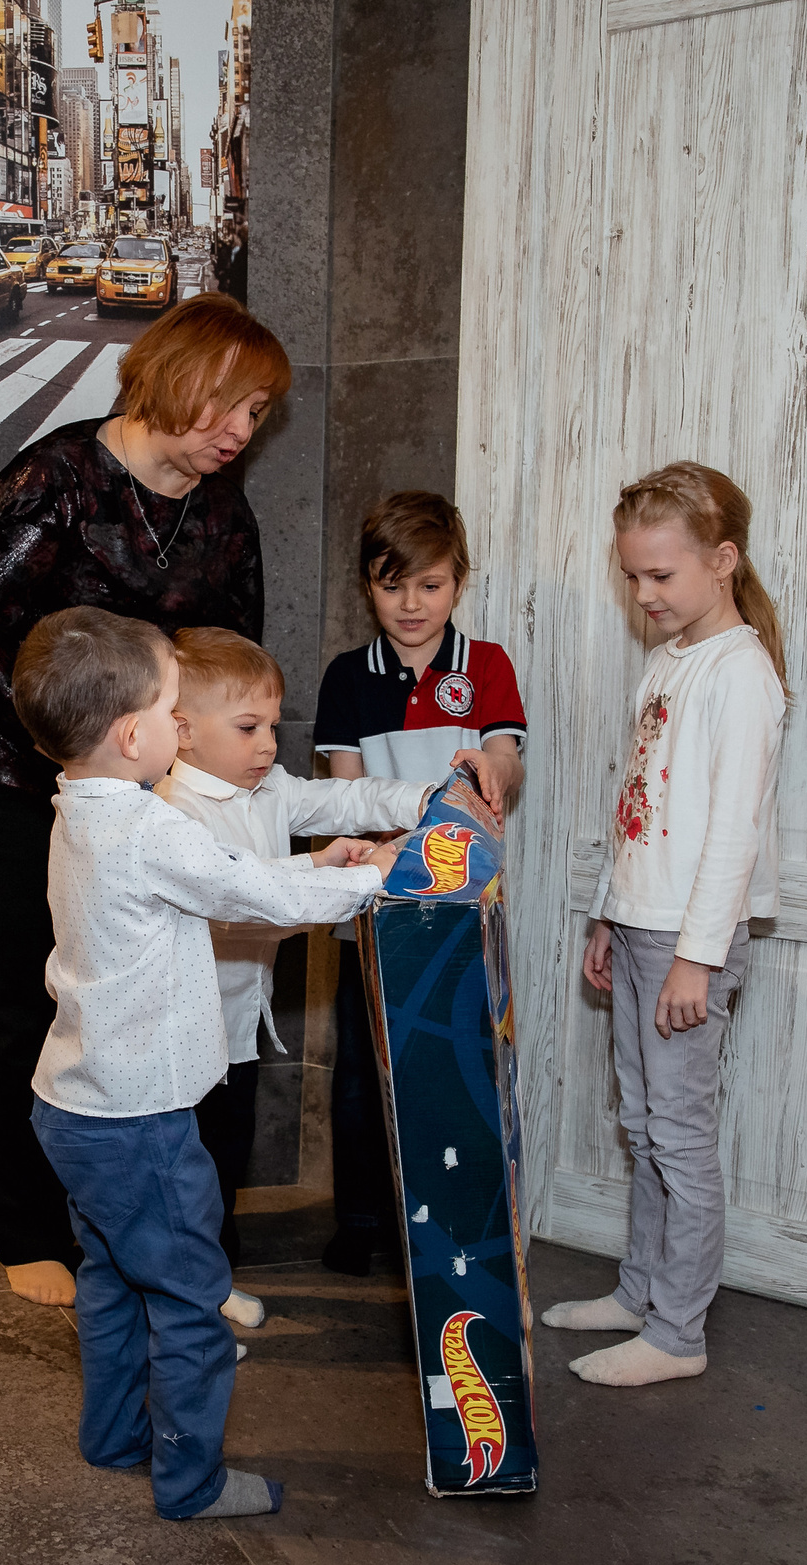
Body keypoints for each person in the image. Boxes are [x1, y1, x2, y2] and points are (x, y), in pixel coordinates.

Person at [0, 294, 290, 1309]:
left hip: (157, 803)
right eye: (227, 404)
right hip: (15, 790)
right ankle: (28, 1228)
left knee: (164, 1011)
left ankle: (168, 1232)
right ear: (168, 378)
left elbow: (231, 661)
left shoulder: (221, 511)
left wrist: (209, 767)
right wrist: (80, 744)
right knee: (26, 1006)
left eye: (257, 413)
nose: (237, 432)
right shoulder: (54, 481)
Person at [12, 607, 395, 1520]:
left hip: (74, 1104)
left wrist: (325, 861)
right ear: (134, 732)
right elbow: (254, 888)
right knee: (189, 1299)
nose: (182, 725)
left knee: (110, 1278)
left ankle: (114, 1437)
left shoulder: (80, 812)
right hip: (141, 1117)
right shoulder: (148, 828)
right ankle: (192, 1482)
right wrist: (378, 876)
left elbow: (231, 872)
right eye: (174, 707)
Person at [542, 462, 788, 1387]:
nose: (643, 595)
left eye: (661, 577)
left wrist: (698, 956)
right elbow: (637, 804)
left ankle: (678, 1332)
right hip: (643, 925)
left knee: (679, 1133)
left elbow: (732, 832)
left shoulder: (742, 673)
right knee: (643, 1123)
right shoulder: (668, 660)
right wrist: (610, 910)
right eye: (631, 577)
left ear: (722, 561)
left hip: (691, 937)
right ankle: (642, 1292)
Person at [153, 627, 436, 1326]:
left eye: (274, 727)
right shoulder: (172, 814)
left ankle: (208, 1290)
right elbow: (250, 904)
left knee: (222, 1166)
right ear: (182, 731)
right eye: (248, 727)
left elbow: (337, 803)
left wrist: (425, 798)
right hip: (177, 1039)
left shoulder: (267, 785)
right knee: (183, 1182)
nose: (268, 746)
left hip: (238, 1030)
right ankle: (184, 1314)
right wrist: (342, 870)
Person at [310, 493, 527, 1274]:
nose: (411, 603)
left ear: (458, 582)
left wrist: (491, 770)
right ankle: (362, 1220)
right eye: (390, 583)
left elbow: (507, 754)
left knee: (454, 1067)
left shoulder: (487, 665)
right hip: (373, 907)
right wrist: (387, 853)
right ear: (368, 584)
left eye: (429, 585)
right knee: (365, 1073)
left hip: (461, 909)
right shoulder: (346, 678)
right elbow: (345, 790)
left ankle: (447, 1223)